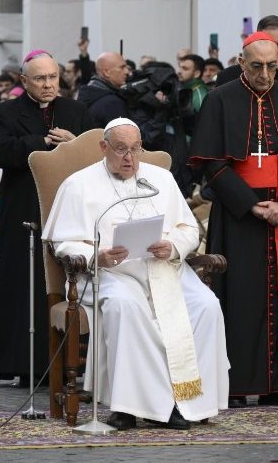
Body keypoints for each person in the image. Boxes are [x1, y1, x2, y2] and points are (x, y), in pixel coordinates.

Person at [43, 118, 229, 430]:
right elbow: (62, 243)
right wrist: (97, 254)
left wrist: (170, 246)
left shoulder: (161, 179)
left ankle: (193, 403)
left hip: (163, 269)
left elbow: (188, 229)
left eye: (135, 149)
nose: (129, 158)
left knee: (207, 306)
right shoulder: (79, 184)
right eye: (120, 150)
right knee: (125, 307)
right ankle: (133, 407)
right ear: (104, 148)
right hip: (109, 274)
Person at [189, 32, 278, 407]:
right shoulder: (219, 100)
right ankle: (234, 383)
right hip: (238, 215)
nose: (265, 74)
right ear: (240, 63)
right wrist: (250, 204)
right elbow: (212, 163)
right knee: (239, 298)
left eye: (272, 66)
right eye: (256, 66)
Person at [0, 50, 94, 385]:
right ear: (24, 81)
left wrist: (75, 144)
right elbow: (2, 153)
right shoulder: (5, 112)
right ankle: (24, 363)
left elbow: (95, 155)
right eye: (40, 79)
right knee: (24, 284)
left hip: (68, 210)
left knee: (67, 282)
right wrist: (43, 142)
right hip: (24, 207)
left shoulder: (76, 111)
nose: (48, 85)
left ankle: (69, 362)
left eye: (52, 78)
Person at [78, 51, 130, 128]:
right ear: (106, 72)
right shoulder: (112, 103)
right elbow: (124, 136)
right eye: (122, 67)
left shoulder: (89, 93)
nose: (127, 72)